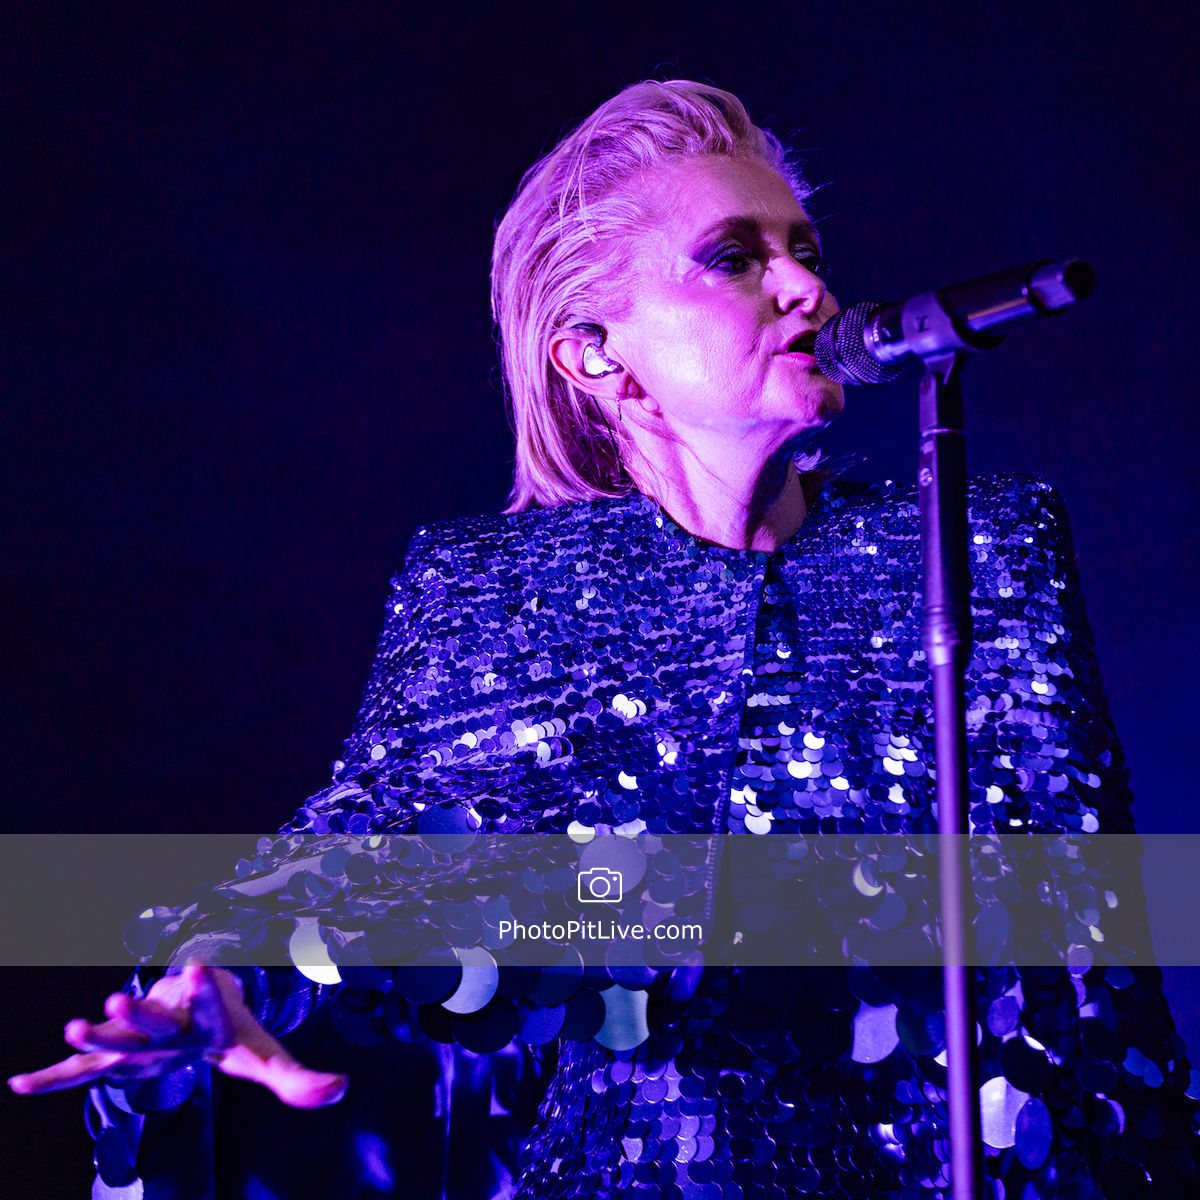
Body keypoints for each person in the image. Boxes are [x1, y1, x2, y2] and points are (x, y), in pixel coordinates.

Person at [11, 80, 1199, 1199]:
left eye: (805, 249)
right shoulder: (501, 596)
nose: (804, 287)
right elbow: (363, 850)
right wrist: (224, 971)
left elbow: (1094, 967)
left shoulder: (987, 546)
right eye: (734, 257)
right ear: (594, 354)